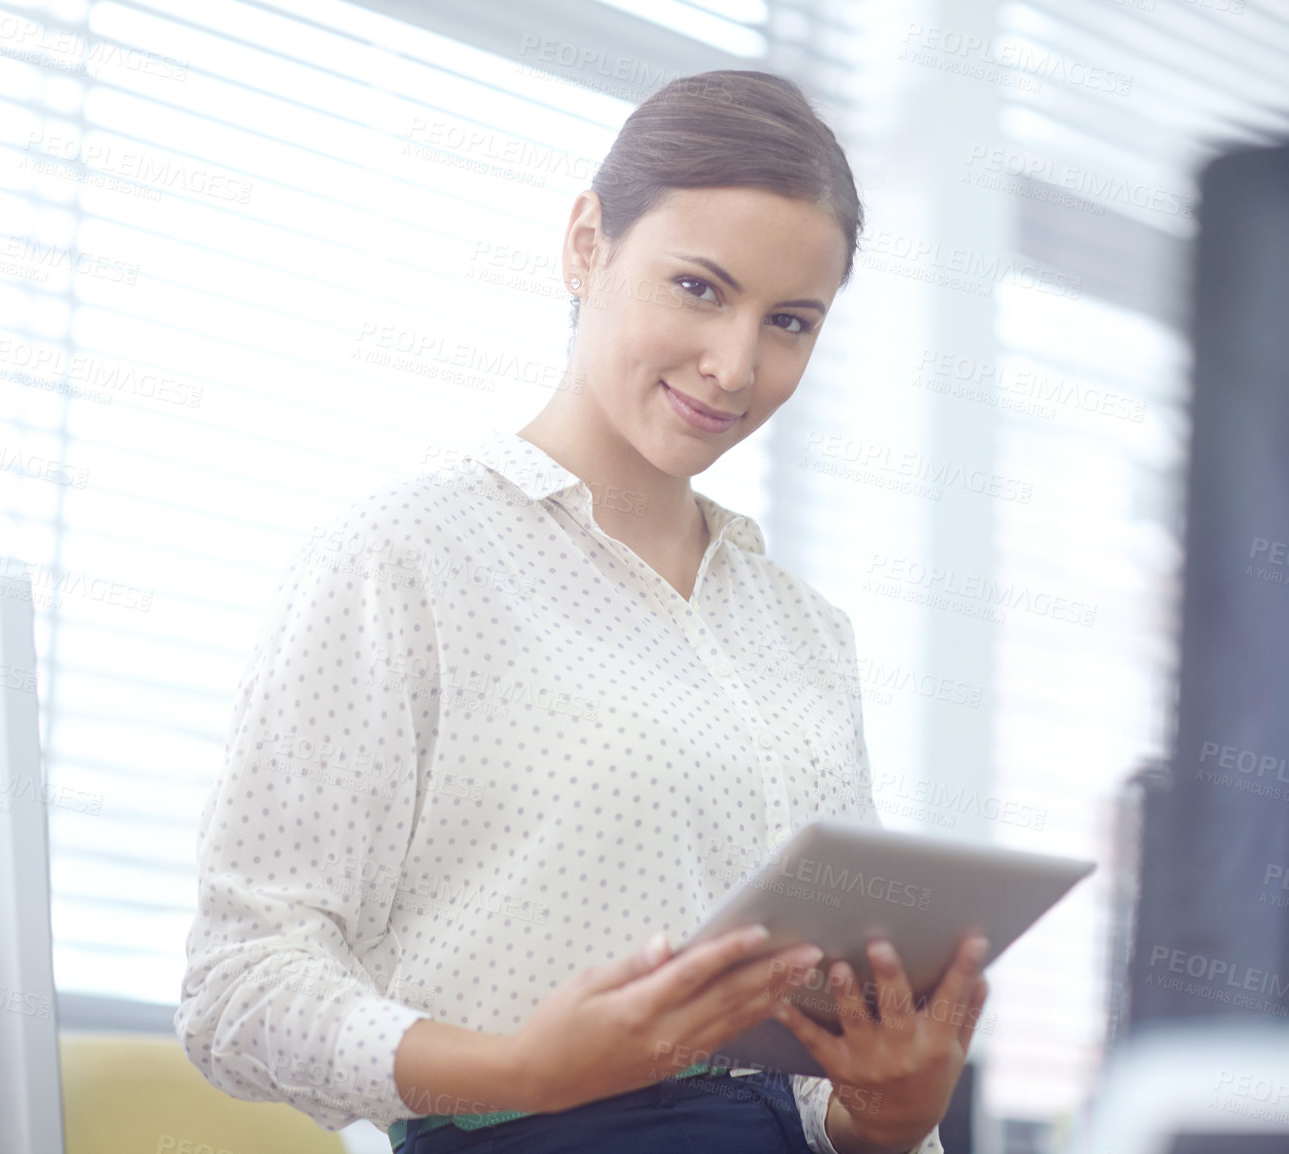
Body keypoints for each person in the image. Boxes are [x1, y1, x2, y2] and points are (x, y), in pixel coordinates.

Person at [175, 69, 988, 1154]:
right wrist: (521, 1069)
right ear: (584, 244)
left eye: (789, 321)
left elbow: (815, 1066)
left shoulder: (805, 634)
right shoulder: (404, 560)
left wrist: (884, 1114)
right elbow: (237, 981)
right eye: (698, 288)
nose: (735, 364)